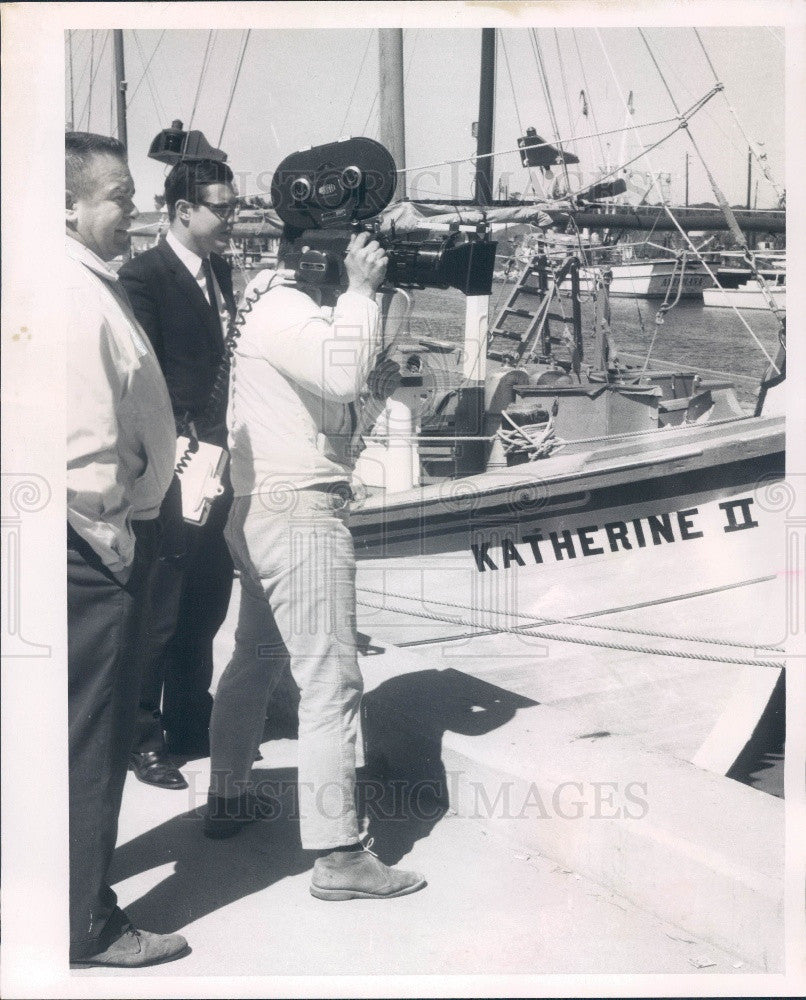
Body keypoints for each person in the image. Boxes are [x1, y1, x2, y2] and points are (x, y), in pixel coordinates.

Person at [206, 232, 426, 900]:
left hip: (263, 507)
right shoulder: (286, 308)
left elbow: (324, 406)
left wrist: (366, 384)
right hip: (299, 518)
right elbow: (336, 372)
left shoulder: (271, 305)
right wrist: (362, 296)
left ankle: (228, 795)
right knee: (331, 681)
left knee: (256, 659)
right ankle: (340, 857)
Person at [65, 131, 188, 965]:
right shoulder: (75, 297)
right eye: (117, 195)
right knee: (92, 742)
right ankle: (83, 925)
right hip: (88, 549)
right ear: (66, 205)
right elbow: (80, 448)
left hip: (79, 544)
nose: (132, 208)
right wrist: (112, 543)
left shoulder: (79, 281)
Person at [118, 159, 238, 789]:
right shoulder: (143, 278)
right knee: (160, 607)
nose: (232, 218)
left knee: (207, 599)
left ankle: (192, 720)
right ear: (182, 210)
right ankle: (142, 736)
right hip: (175, 466)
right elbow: (142, 381)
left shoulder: (221, 272)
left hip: (218, 464)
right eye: (221, 207)